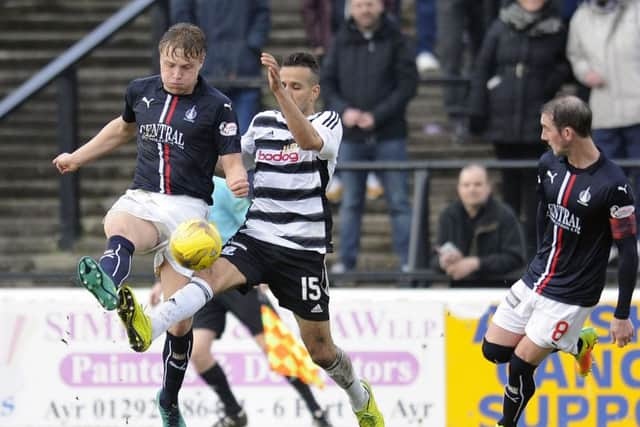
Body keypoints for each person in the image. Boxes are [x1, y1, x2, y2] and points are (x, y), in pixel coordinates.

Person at [115, 51, 385, 427]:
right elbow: (226, 162)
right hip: (257, 236)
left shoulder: (328, 121)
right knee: (209, 276)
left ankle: (359, 395)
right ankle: (150, 325)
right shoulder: (262, 123)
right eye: (282, 84)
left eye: (295, 87)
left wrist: (281, 96)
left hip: (302, 251)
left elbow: (309, 142)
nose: (286, 91)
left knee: (320, 352)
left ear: (314, 92)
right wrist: (169, 148)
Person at [52, 23, 250, 427]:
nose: (176, 74)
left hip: (189, 214)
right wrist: (78, 156)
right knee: (120, 224)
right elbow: (122, 129)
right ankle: (109, 282)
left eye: (185, 67)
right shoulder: (140, 91)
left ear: (201, 63)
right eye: (169, 64)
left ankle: (170, 401)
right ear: (160, 57)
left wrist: (236, 178)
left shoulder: (218, 105)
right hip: (144, 197)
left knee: (179, 325)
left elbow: (231, 157)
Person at [482, 96, 637, 427]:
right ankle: (577, 341)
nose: (541, 136)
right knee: (493, 351)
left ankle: (505, 424)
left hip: (572, 294)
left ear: (567, 133)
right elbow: (543, 210)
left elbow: (628, 251)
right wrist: (539, 254)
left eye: (546, 129)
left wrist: (622, 314)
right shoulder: (548, 164)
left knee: (520, 366)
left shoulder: (614, 186)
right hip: (538, 277)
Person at [149, 176, 333, 427]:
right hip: (200, 283)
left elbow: (251, 225)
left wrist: (259, 267)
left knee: (274, 348)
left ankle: (317, 414)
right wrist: (163, 282)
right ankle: (234, 412)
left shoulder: (222, 189)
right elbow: (176, 248)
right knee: (199, 352)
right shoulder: (178, 195)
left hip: (233, 276)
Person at [467, 0, 572, 257]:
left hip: (539, 122)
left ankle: (536, 254)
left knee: (537, 192)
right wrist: (477, 109)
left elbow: (567, 63)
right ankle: (511, 253)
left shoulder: (558, 28)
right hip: (504, 119)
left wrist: (551, 81)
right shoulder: (501, 25)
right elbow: (482, 67)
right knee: (509, 190)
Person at [321, 0, 418, 273]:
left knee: (399, 201)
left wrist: (378, 115)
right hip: (351, 136)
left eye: (370, 4)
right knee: (351, 202)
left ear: (381, 7)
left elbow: (408, 84)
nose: (365, 9)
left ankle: (408, 262)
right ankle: (346, 263)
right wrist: (343, 111)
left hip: (390, 134)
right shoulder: (340, 40)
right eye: (360, 4)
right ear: (351, 8)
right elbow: (327, 83)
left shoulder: (397, 38)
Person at [566, 0, 640, 245]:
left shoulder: (635, 10)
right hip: (604, 114)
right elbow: (575, 56)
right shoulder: (580, 18)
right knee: (606, 184)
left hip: (637, 111)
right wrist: (585, 72)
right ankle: (613, 242)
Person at [170, 0, 271, 134]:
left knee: (243, 140)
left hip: (243, 69)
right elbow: (182, 16)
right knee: (205, 138)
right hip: (207, 70)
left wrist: (250, 47)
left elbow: (262, 13)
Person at [432, 164, 526, 287]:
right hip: (459, 291)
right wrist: (442, 261)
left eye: (478, 184)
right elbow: (433, 258)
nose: (472, 189)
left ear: (488, 188)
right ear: (458, 189)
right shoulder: (448, 215)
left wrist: (475, 264)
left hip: (498, 290)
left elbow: (516, 258)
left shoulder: (505, 215)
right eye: (466, 185)